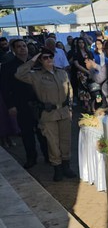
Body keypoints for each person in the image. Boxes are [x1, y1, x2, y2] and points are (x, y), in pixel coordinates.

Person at [15, 48, 76, 181]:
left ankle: (66, 166)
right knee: (52, 142)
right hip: (48, 114)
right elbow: (19, 74)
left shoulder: (62, 73)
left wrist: (70, 109)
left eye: (51, 57)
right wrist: (33, 59)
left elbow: (69, 90)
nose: (49, 59)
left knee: (65, 141)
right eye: (45, 58)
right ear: (40, 61)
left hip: (64, 112)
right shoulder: (36, 76)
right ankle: (57, 168)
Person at [0, 39, 48, 168]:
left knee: (43, 132)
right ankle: (31, 158)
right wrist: (10, 106)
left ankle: (48, 156)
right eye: (19, 47)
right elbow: (5, 88)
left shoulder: (37, 63)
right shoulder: (7, 66)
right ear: (14, 50)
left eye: (24, 46)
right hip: (21, 104)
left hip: (39, 103)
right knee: (27, 133)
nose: (22, 48)